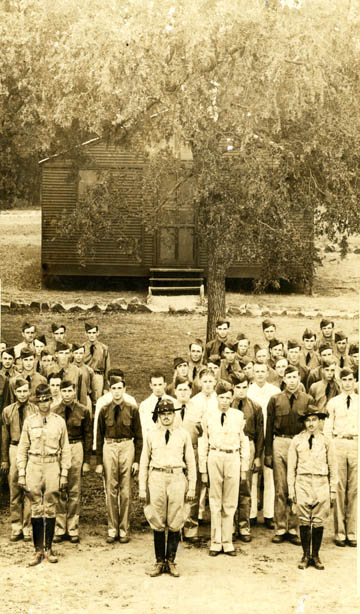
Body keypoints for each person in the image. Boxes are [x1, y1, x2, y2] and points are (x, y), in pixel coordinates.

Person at [139, 398, 196, 577]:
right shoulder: (151, 435)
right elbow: (143, 463)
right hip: (156, 477)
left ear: (174, 415)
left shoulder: (183, 435)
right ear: (158, 416)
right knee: (156, 519)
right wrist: (142, 487)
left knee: (175, 519)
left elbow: (191, 462)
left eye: (169, 413)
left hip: (177, 477)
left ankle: (171, 561)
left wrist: (192, 486)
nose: (166, 417)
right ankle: (159, 562)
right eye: (162, 414)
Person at [17, 384, 71, 566]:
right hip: (33, 464)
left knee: (50, 505)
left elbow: (65, 449)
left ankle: (48, 549)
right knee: (35, 506)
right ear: (37, 403)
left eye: (47, 400)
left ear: (51, 400)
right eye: (41, 401)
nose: (44, 404)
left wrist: (64, 473)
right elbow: (22, 448)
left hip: (51, 464)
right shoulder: (29, 421)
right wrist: (22, 473)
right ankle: (37, 550)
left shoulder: (59, 421)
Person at [199, 381, 249, 556]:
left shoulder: (238, 415)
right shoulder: (208, 416)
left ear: (232, 397)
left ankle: (227, 542)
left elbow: (244, 442)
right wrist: (203, 470)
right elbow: (204, 442)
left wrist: (244, 468)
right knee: (215, 501)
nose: (225, 401)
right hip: (215, 456)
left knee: (230, 502)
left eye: (228, 397)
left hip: (232, 457)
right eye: (221, 397)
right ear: (216, 397)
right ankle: (215, 541)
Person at [265, 366, 313, 545]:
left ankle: (293, 528)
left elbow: (311, 426)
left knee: (296, 487)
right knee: (280, 488)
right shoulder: (275, 399)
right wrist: (268, 452)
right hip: (280, 442)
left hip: (299, 443)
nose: (292, 380)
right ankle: (280, 527)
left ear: (299, 378)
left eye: (295, 377)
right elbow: (269, 427)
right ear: (283, 379)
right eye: (289, 377)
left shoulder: (307, 399)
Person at [287, 405, 337, 570]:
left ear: (319, 421)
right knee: (303, 519)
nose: (311, 424)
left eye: (314, 420)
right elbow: (291, 468)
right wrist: (291, 490)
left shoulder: (326, 441)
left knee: (317, 520)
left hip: (321, 482)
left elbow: (333, 467)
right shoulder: (297, 440)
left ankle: (315, 555)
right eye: (307, 420)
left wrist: (332, 489)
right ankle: (305, 555)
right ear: (304, 422)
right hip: (302, 481)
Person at [96, 375, 142, 544]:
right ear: (109, 390)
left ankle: (124, 529)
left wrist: (136, 460)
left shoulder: (132, 409)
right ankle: (112, 528)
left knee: (126, 490)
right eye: (113, 388)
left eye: (119, 388)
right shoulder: (104, 409)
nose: (116, 392)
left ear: (124, 389)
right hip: (109, 446)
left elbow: (139, 436)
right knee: (110, 489)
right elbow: (99, 436)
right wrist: (99, 462)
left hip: (126, 446)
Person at [52, 380, 92, 543]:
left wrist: (87, 461)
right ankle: (60, 528)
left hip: (76, 447)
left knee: (74, 489)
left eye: (70, 391)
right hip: (60, 450)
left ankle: (73, 527)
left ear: (74, 391)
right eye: (64, 391)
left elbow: (88, 436)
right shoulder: (54, 411)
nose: (67, 394)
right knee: (59, 488)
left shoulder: (83, 411)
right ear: (60, 392)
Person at [324, 368, 358, 547]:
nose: (347, 383)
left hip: (356, 444)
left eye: (350, 379)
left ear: (355, 381)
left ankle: (352, 532)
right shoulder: (334, 402)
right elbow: (327, 429)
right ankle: (340, 533)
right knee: (339, 488)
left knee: (354, 490)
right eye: (344, 379)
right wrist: (330, 449)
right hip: (339, 444)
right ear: (340, 381)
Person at [1, 378, 38, 541]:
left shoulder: (35, 410)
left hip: (31, 450)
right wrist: (4, 460)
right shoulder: (8, 411)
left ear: (29, 391)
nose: (22, 395)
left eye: (25, 391)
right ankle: (16, 526)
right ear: (14, 393)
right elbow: (4, 437)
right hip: (14, 448)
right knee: (15, 488)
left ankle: (28, 526)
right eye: (19, 391)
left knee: (29, 489)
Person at [232, 372, 264, 542]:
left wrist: (257, 456)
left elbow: (260, 434)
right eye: (238, 387)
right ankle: (229, 526)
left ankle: (244, 527)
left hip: (249, 446)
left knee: (245, 488)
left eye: (244, 387)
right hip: (230, 447)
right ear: (233, 388)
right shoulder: (226, 404)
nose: (241, 390)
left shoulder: (256, 407)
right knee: (229, 488)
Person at [247, 362, 280, 528]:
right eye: (257, 371)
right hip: (253, 438)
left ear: (268, 373)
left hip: (270, 437)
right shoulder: (248, 391)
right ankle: (251, 514)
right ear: (253, 373)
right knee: (252, 474)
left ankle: (269, 514)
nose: (260, 374)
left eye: (262, 371)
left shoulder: (275, 391)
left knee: (269, 476)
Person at [173, 377, 202, 542]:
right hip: (175, 452)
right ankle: (176, 527)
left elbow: (203, 433)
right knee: (176, 490)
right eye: (180, 389)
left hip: (194, 450)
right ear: (175, 391)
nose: (183, 393)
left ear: (191, 392)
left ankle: (191, 528)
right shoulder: (170, 408)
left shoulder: (197, 409)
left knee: (193, 490)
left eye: (186, 389)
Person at [93, 367, 137, 450]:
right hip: (109, 443)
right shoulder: (102, 401)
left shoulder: (130, 400)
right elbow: (97, 425)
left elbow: (136, 425)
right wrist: (96, 445)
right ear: (108, 382)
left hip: (127, 444)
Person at [139, 371, 176, 440]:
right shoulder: (145, 405)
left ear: (165, 385)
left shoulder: (173, 402)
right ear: (150, 385)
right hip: (151, 440)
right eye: (155, 385)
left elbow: (176, 425)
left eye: (160, 384)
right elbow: (143, 427)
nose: (157, 388)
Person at [83, 322, 110, 402]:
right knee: (85, 400)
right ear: (86, 333)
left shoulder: (103, 348)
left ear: (97, 333)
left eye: (94, 332)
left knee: (98, 401)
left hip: (98, 376)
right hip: (85, 376)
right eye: (89, 333)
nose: (91, 335)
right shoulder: (82, 348)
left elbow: (107, 368)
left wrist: (106, 387)